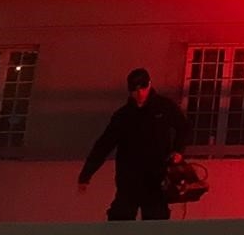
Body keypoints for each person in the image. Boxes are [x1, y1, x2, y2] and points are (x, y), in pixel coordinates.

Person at [78, 68, 191, 221]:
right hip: (129, 180)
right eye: (135, 90)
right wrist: (86, 175)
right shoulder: (123, 116)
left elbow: (183, 128)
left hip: (156, 178)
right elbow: (103, 145)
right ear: (130, 91)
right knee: (120, 219)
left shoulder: (164, 107)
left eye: (143, 88)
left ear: (150, 84)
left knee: (155, 220)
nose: (140, 94)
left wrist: (178, 151)